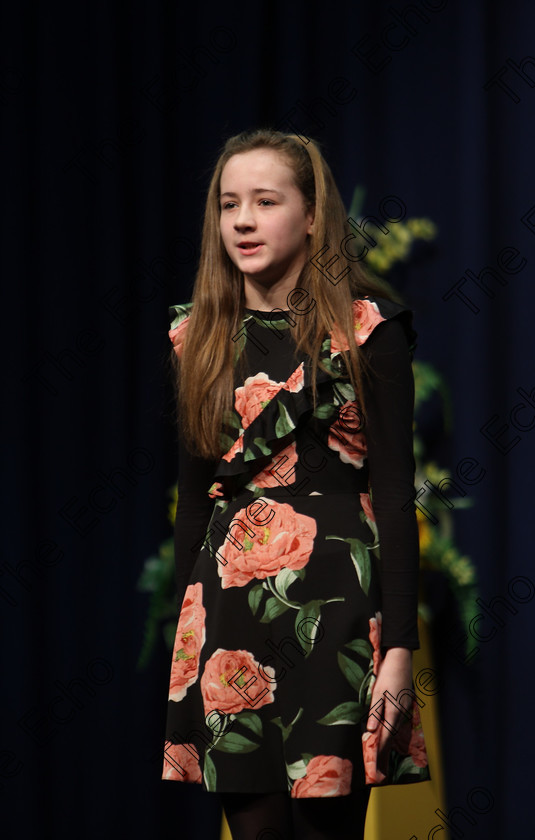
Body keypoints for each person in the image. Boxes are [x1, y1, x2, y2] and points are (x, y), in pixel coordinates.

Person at [161, 129, 430, 840]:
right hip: (229, 616)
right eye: (229, 204)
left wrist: (398, 649)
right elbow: (194, 500)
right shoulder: (197, 337)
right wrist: (186, 637)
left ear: (312, 215)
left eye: (265, 201)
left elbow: (398, 496)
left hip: (337, 610)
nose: (243, 220)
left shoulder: (370, 330)